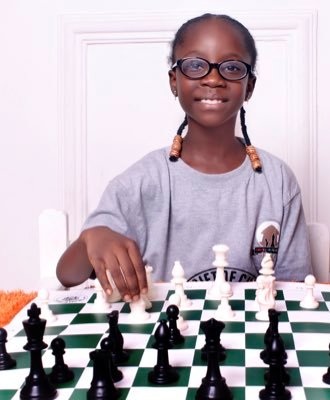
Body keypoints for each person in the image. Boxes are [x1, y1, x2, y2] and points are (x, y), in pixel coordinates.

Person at [56, 13, 312, 302]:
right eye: (195, 65)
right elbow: (67, 274)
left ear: (249, 86)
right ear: (174, 81)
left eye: (231, 67)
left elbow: (298, 292)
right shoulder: (141, 182)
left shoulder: (277, 182)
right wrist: (92, 238)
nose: (213, 78)